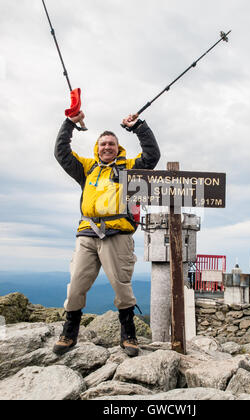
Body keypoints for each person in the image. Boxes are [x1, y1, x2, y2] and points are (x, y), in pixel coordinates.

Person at [52, 111, 160, 357]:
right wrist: (69, 123)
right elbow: (62, 153)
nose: (107, 147)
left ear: (118, 147)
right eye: (103, 144)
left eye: (111, 144)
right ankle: (69, 333)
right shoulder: (88, 167)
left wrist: (138, 126)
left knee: (122, 286)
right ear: (97, 148)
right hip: (87, 232)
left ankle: (128, 335)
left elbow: (152, 155)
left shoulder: (129, 167)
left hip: (118, 234)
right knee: (76, 284)